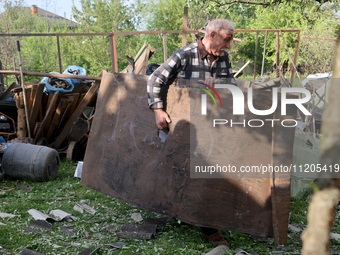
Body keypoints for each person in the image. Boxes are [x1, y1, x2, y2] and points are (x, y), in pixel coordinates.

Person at [147, 19, 236, 247]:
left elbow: (232, 87)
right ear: (213, 34)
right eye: (226, 39)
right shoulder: (185, 54)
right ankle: (209, 229)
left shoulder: (223, 58)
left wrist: (219, 87)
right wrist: (158, 110)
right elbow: (156, 78)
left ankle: (196, 217)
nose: (228, 46)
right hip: (185, 126)